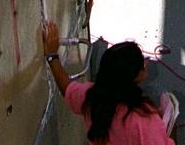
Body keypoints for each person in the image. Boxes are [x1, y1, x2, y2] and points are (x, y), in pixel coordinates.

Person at [42, 20, 174, 143]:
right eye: (142, 63)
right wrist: (170, 127)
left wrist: (52, 56)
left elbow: (67, 88)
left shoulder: (92, 98)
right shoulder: (144, 120)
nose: (146, 63)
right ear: (134, 76)